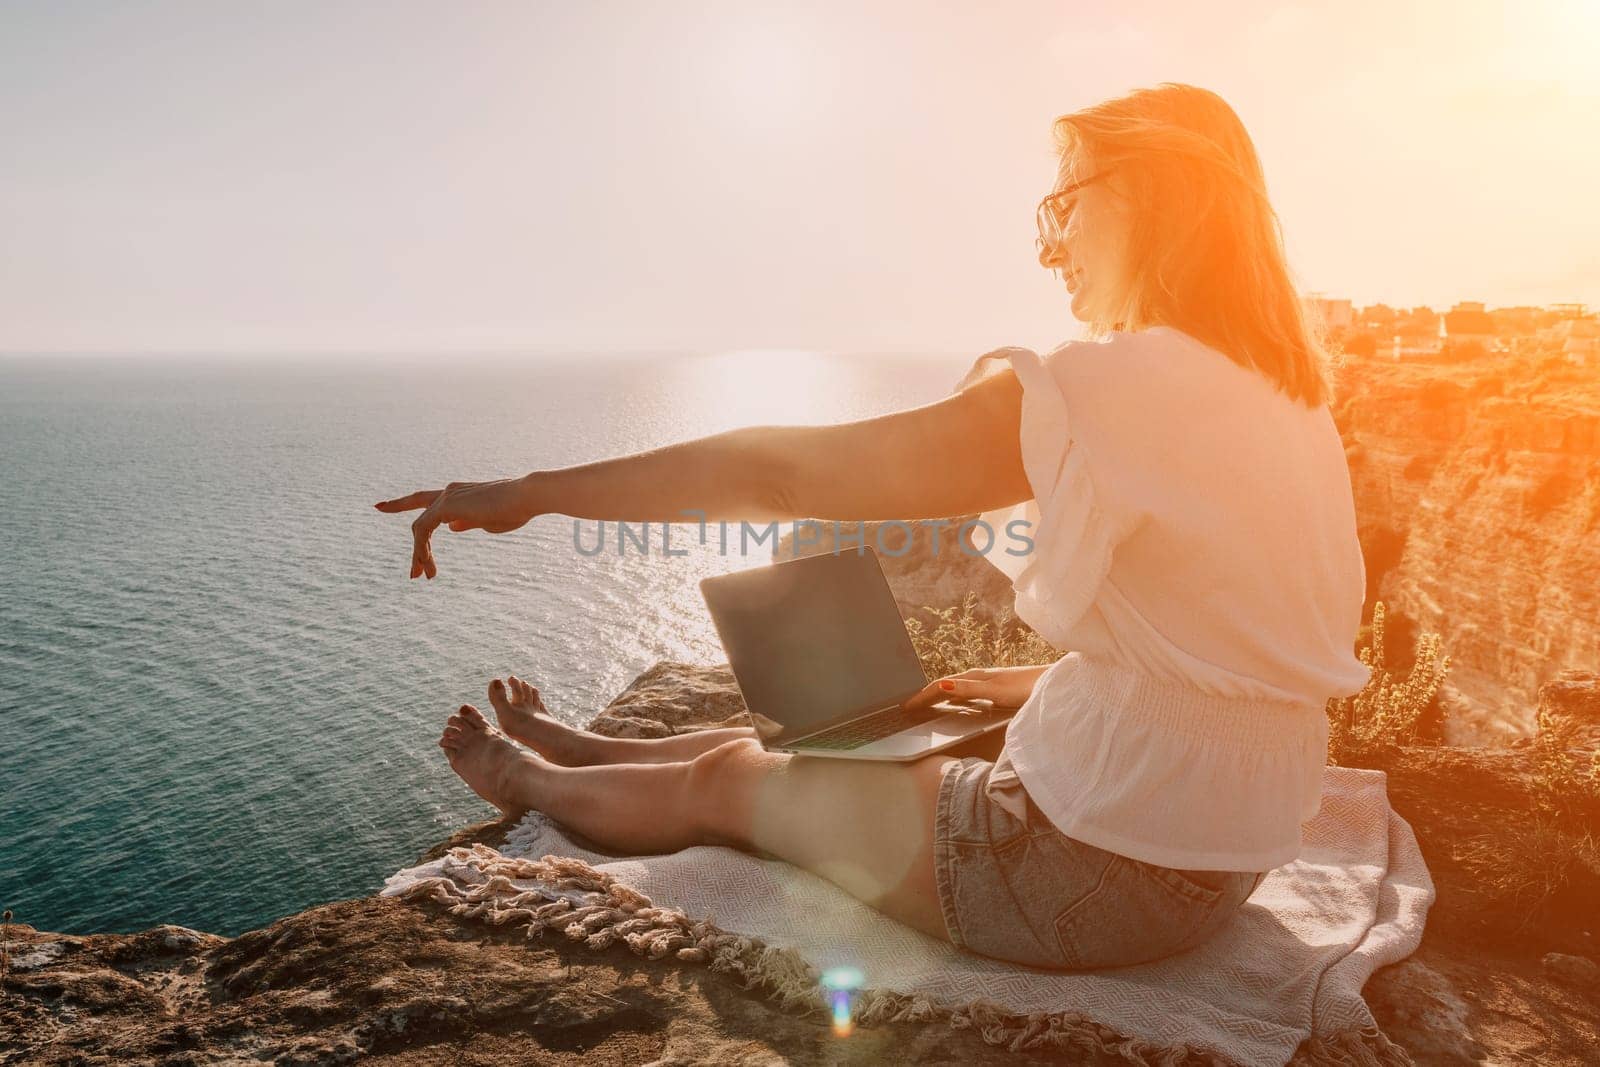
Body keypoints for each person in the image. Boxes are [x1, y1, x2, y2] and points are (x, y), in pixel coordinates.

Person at [374, 83, 1370, 971]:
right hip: (1213, 858)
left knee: (731, 778)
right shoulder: (1284, 397)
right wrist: (1033, 682)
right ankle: (583, 745)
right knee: (834, 736)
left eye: (1062, 202)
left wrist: (536, 490)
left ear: (1157, 195)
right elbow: (1247, 645)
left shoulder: (1117, 390)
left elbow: (776, 472)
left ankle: (528, 776)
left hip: (1091, 879)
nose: (1045, 243)